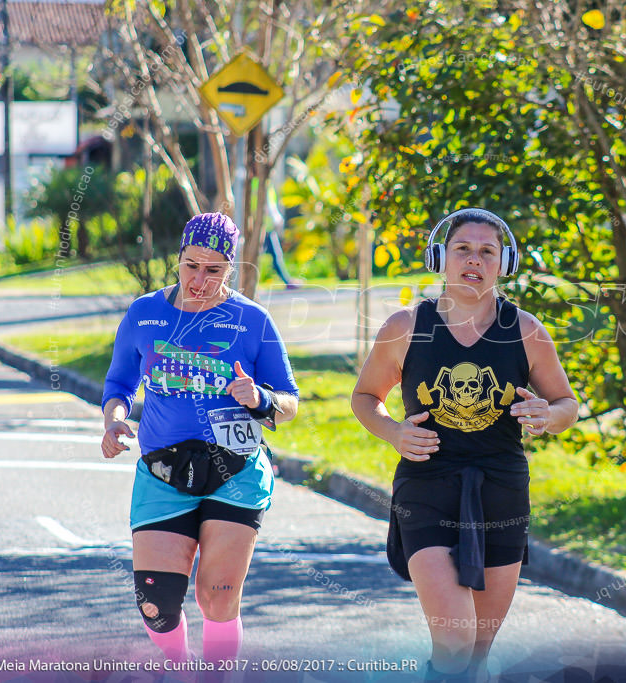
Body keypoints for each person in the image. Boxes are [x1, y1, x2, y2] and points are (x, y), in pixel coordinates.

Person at [351, 208, 579, 681]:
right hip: (426, 484)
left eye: (487, 251)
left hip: (502, 487)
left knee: (477, 649)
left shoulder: (526, 330)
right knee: (454, 639)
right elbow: (365, 397)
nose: (474, 260)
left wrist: (547, 414)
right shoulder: (406, 326)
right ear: (441, 257)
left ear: (504, 263)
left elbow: (566, 405)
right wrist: (395, 432)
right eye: (463, 249)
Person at [100, 212, 299, 664]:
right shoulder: (145, 313)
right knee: (156, 607)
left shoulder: (252, 321)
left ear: (231, 268)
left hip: (237, 470)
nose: (200, 279)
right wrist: (114, 421)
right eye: (191, 265)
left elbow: (290, 401)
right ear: (178, 259)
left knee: (218, 599)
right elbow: (118, 386)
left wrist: (262, 398)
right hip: (163, 471)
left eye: (214, 270)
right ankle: (181, 668)